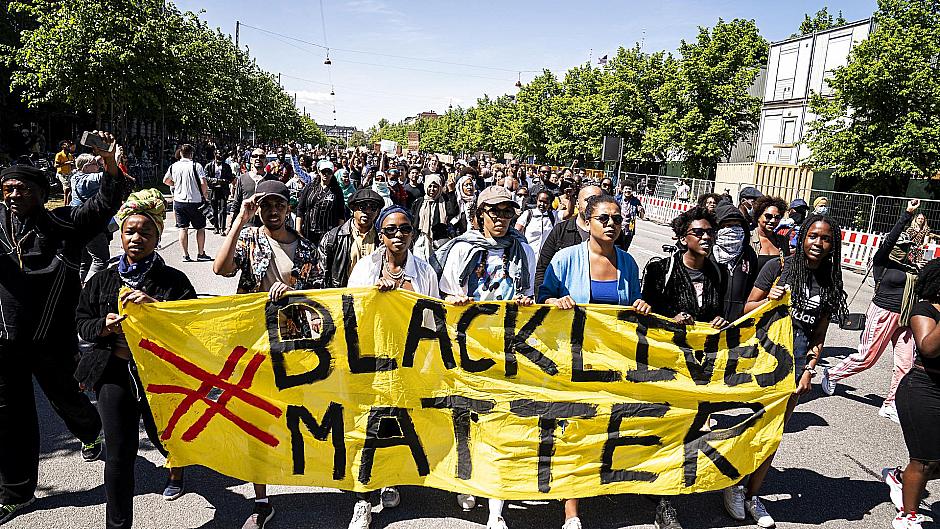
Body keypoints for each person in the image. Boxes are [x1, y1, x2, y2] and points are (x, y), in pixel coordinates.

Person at [0, 131, 126, 525]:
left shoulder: (63, 223)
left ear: (41, 192)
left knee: (65, 394)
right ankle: (16, 491)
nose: (14, 195)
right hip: (5, 341)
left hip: (50, 338)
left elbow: (103, 204)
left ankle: (90, 430)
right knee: (10, 416)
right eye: (7, 188)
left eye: (22, 188)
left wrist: (109, 163)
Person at [74, 189, 194, 529]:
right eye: (130, 231)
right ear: (121, 235)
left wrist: (157, 309)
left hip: (159, 375)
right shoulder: (102, 281)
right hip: (113, 373)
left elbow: (192, 328)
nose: (136, 238)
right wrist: (103, 325)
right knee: (118, 455)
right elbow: (82, 323)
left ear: (157, 237)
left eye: (145, 232)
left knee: (165, 436)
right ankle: (117, 525)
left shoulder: (173, 281)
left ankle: (176, 468)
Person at [727, 214, 848, 528]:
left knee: (774, 433)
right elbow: (745, 309)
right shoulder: (778, 267)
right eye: (813, 236)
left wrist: (810, 369)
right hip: (764, 360)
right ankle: (734, 484)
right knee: (752, 427)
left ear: (833, 245)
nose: (818, 244)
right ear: (802, 237)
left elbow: (819, 334)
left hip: (796, 366)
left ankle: (752, 495)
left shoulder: (831, 282)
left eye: (825, 239)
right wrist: (768, 300)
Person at [538, 194, 650, 529]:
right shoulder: (565, 258)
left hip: (612, 361)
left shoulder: (628, 263)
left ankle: (597, 483)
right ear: (587, 223)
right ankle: (571, 510)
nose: (612, 224)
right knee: (574, 427)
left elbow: (631, 307)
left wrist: (640, 306)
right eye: (604, 218)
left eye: (617, 218)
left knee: (600, 428)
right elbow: (542, 299)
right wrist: (556, 302)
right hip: (571, 360)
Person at [213, 180, 317, 529]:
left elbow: (320, 297)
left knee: (294, 413)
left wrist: (294, 291)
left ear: (288, 209)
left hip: (292, 345)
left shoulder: (307, 249)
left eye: (279, 205)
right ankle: (261, 499)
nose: (273, 211)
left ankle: (305, 469)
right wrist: (240, 220)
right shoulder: (250, 238)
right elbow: (221, 268)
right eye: (266, 205)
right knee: (255, 416)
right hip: (252, 340)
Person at [433, 185, 536, 529]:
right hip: (468, 348)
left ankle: (496, 509)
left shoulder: (524, 251)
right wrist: (455, 301)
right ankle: (466, 481)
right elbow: (446, 295)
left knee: (500, 423)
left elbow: (528, 294)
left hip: (508, 349)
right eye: (494, 212)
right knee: (466, 419)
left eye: (508, 212)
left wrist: (525, 302)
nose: (501, 218)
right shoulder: (461, 249)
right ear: (479, 215)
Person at [346, 206, 439, 529]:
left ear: (413, 233)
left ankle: (389, 480)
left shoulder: (424, 271)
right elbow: (350, 311)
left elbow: (433, 320)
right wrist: (376, 296)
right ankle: (362, 499)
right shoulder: (365, 268)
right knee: (365, 429)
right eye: (390, 230)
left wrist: (427, 366)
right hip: (370, 363)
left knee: (395, 425)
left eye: (405, 229)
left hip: (407, 364)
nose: (398, 235)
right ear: (380, 234)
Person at [822, 200, 921, 422]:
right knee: (867, 357)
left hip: (905, 318)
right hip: (883, 313)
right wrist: (907, 214)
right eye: (900, 246)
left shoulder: (911, 268)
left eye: (906, 247)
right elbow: (890, 241)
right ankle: (832, 373)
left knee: (905, 364)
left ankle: (890, 404)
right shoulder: (882, 260)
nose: (903, 250)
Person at [883, 258, 940, 529]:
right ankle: (907, 515)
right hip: (922, 388)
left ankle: (900, 478)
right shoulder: (924, 309)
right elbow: (928, 348)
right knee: (924, 461)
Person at [534, 185, 627, 299]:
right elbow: (542, 269)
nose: (594, 204)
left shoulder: (616, 238)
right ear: (578, 203)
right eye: (590, 200)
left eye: (599, 199)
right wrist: (544, 300)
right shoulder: (561, 232)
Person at [315, 189, 384, 289]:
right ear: (353, 209)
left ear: (378, 212)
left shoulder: (383, 239)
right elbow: (321, 274)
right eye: (363, 207)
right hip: (342, 294)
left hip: (373, 294)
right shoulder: (333, 237)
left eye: (373, 208)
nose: (367, 211)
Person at [712, 202, 759, 321]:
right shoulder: (709, 254)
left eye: (737, 225)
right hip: (711, 321)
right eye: (728, 225)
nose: (733, 230)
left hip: (737, 321)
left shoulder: (749, 254)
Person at [163, 144, 210, 261]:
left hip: (179, 201)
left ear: (180, 153)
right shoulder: (196, 166)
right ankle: (200, 253)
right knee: (200, 228)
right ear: (191, 154)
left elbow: (166, 180)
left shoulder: (174, 166)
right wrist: (204, 195)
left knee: (183, 228)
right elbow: (203, 183)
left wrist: (176, 185)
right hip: (196, 200)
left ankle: (185, 254)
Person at [70, 153, 111, 283]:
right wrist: (113, 159)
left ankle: (78, 287)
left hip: (76, 223)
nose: (98, 166)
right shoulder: (89, 180)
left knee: (85, 261)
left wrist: (100, 156)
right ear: (86, 167)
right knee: (101, 260)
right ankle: (88, 287)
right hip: (91, 224)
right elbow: (110, 175)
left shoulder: (75, 177)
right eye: (95, 164)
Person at [295, 159, 347, 246]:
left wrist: (338, 235)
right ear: (319, 172)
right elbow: (300, 209)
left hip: (328, 234)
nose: (326, 174)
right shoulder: (310, 187)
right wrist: (298, 231)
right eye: (323, 171)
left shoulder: (337, 190)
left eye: (329, 172)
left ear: (332, 173)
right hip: (309, 232)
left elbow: (341, 214)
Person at [411, 174, 458, 261]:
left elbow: (452, 212)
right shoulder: (419, 202)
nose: (432, 189)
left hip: (438, 241)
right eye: (430, 186)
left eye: (435, 187)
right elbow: (413, 220)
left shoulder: (444, 201)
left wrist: (451, 192)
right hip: (421, 239)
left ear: (440, 188)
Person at [230, 148, 276, 231]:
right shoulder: (242, 179)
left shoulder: (273, 180)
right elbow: (236, 204)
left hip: (266, 227)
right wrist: (230, 226)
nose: (258, 158)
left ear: (266, 161)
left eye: (261, 156)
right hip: (245, 225)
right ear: (251, 160)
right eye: (255, 156)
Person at [515, 190, 560, 258]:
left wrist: (570, 196)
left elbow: (568, 213)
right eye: (540, 201)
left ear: (550, 203)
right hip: (528, 255)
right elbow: (517, 232)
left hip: (546, 257)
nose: (542, 204)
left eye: (545, 202)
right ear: (537, 200)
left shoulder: (553, 216)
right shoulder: (528, 214)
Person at [750, 195, 791, 270]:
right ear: (758, 216)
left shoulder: (782, 241)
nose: (773, 221)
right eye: (768, 216)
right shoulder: (748, 239)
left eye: (777, 217)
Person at [205, 150, 235, 234]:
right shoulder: (209, 166)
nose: (220, 157)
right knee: (214, 209)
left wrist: (224, 181)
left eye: (221, 156)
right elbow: (206, 177)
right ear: (215, 156)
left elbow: (230, 177)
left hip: (223, 190)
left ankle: (222, 227)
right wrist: (216, 181)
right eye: (218, 156)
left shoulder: (226, 166)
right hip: (213, 190)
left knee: (223, 209)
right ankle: (216, 227)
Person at [617, 184, 645, 251]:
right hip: (618, 228)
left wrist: (641, 210)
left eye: (629, 189)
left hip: (629, 230)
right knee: (616, 248)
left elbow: (641, 216)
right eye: (626, 189)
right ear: (622, 190)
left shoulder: (636, 201)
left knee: (625, 250)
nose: (628, 190)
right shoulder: (617, 199)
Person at [54, 139, 75, 203]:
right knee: (67, 189)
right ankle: (66, 204)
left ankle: (68, 204)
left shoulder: (70, 155)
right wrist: (66, 163)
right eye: (66, 144)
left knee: (70, 190)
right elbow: (56, 165)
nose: (68, 145)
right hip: (62, 173)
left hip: (69, 173)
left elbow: (72, 165)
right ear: (62, 146)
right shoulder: (59, 155)